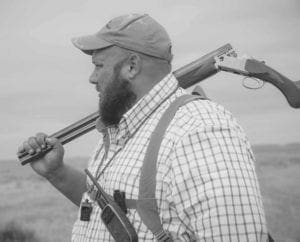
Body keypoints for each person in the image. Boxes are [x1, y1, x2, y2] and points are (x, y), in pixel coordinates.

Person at [18, 13, 269, 241]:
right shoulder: (121, 129)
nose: (92, 78)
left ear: (132, 66)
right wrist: (57, 172)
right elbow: (108, 211)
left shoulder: (199, 129)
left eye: (99, 66)